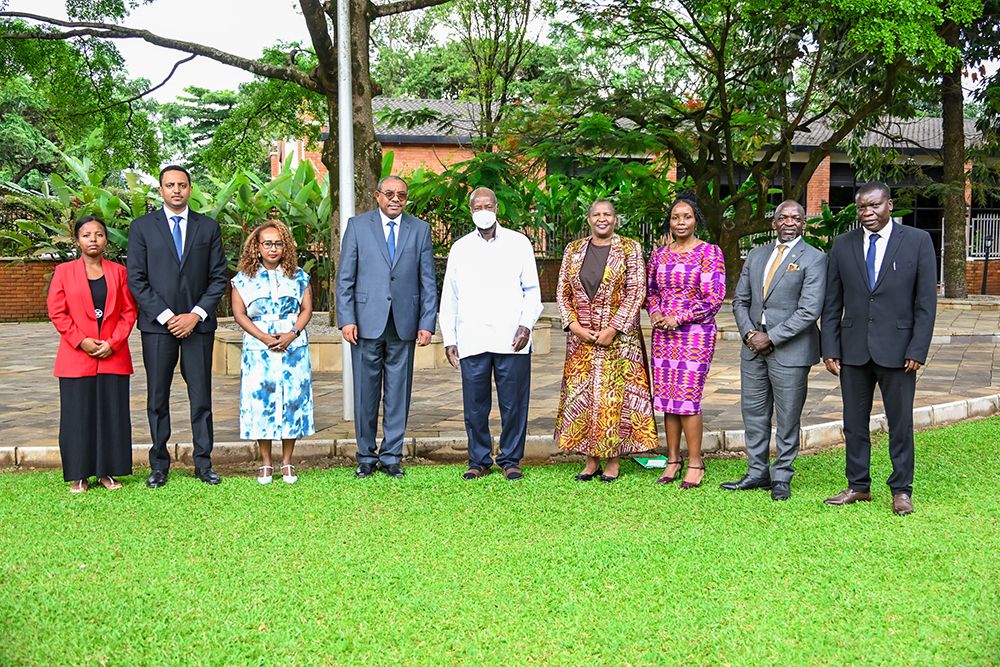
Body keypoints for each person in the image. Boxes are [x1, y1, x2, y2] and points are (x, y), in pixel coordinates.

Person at [821, 182, 937, 516]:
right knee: (853, 423)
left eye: (873, 206)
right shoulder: (843, 245)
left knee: (900, 424)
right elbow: (832, 302)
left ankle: (901, 490)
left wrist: (918, 348)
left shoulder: (917, 241)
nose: (867, 213)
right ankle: (858, 486)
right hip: (853, 350)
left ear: (889, 204)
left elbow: (926, 302)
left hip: (900, 353)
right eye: (861, 208)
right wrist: (830, 346)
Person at [127, 165, 228, 488]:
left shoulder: (208, 227)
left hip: (198, 326)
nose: (176, 191)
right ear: (160, 190)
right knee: (157, 398)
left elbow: (218, 277)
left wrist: (195, 315)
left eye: (182, 185)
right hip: (158, 328)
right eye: (170, 185)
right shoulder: (142, 227)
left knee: (201, 397)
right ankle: (159, 465)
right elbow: (136, 280)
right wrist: (168, 316)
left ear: (190, 188)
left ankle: (203, 463)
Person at [335, 175, 437, 479]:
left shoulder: (420, 230)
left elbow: (428, 281)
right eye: (390, 194)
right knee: (365, 394)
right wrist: (346, 318)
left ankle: (392, 456)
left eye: (402, 195)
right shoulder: (357, 226)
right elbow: (344, 279)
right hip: (365, 324)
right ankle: (366, 456)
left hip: (404, 324)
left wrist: (427, 322)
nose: (396, 199)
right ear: (377, 195)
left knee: (398, 393)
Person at [725, 200, 828, 501]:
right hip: (752, 349)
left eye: (796, 217)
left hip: (791, 351)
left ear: (804, 223)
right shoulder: (757, 256)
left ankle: (782, 476)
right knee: (754, 414)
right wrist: (749, 334)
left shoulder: (814, 258)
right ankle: (757, 472)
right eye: (783, 217)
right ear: (774, 223)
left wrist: (771, 337)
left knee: (787, 417)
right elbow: (739, 301)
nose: (789, 222)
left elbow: (809, 311)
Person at [440, 187, 543, 481]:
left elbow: (532, 291)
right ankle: (479, 459)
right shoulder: (460, 248)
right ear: (471, 211)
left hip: (512, 337)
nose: (483, 211)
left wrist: (526, 324)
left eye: (488, 205)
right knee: (475, 406)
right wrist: (450, 338)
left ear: (497, 208)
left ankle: (511, 459)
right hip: (471, 337)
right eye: (477, 207)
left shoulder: (518, 243)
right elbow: (450, 296)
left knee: (513, 404)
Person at [554, 200, 659, 481]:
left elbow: (636, 291)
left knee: (614, 399)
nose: (602, 218)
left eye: (608, 214)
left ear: (615, 219)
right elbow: (562, 292)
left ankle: (613, 460)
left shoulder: (630, 248)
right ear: (588, 220)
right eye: (596, 214)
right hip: (581, 340)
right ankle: (591, 460)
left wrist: (614, 327)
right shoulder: (573, 250)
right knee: (585, 398)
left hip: (619, 340)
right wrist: (574, 325)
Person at [47, 216, 137, 492]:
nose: (93, 240)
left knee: (113, 414)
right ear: (77, 240)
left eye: (98, 234)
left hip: (113, 354)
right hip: (76, 356)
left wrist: (113, 342)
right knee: (77, 416)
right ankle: (80, 474)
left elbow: (129, 311)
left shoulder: (118, 272)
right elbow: (57, 311)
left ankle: (108, 472)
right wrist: (81, 340)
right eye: (87, 235)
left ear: (106, 239)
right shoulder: (63, 271)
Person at [644, 194, 726, 489]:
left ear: (696, 221)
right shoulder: (658, 255)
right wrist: (655, 312)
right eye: (676, 217)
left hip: (695, 334)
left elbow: (713, 298)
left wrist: (678, 318)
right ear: (670, 221)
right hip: (663, 335)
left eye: (687, 217)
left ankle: (695, 461)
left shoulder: (709, 253)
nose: (681, 222)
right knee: (667, 397)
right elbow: (651, 292)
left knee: (687, 397)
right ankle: (672, 459)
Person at [231, 221, 314, 485]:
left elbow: (306, 310)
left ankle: (287, 462)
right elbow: (239, 314)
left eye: (278, 243)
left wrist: (292, 334)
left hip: (293, 346)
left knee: (292, 401)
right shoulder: (243, 279)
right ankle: (266, 463)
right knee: (262, 402)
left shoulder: (299, 276)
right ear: (257, 247)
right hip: (259, 347)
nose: (273, 248)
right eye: (267, 243)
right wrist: (264, 336)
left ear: (285, 246)